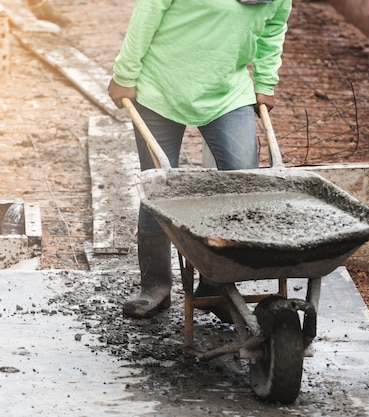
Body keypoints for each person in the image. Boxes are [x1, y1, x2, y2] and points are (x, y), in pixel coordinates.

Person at [108, 0, 293, 319]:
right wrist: (125, 73)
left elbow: (274, 28)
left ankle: (215, 282)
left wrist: (265, 81)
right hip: (161, 87)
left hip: (227, 91)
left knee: (243, 186)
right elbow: (147, 13)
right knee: (158, 188)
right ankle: (155, 287)